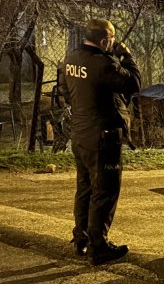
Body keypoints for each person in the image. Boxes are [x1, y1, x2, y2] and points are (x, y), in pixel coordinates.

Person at [57, 18, 140, 265]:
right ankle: (99, 246)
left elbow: (66, 92)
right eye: (112, 39)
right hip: (102, 135)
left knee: (85, 187)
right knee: (105, 190)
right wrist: (126, 57)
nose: (114, 43)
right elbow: (133, 83)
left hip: (80, 133)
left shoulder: (71, 59)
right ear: (104, 40)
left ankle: (81, 237)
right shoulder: (103, 64)